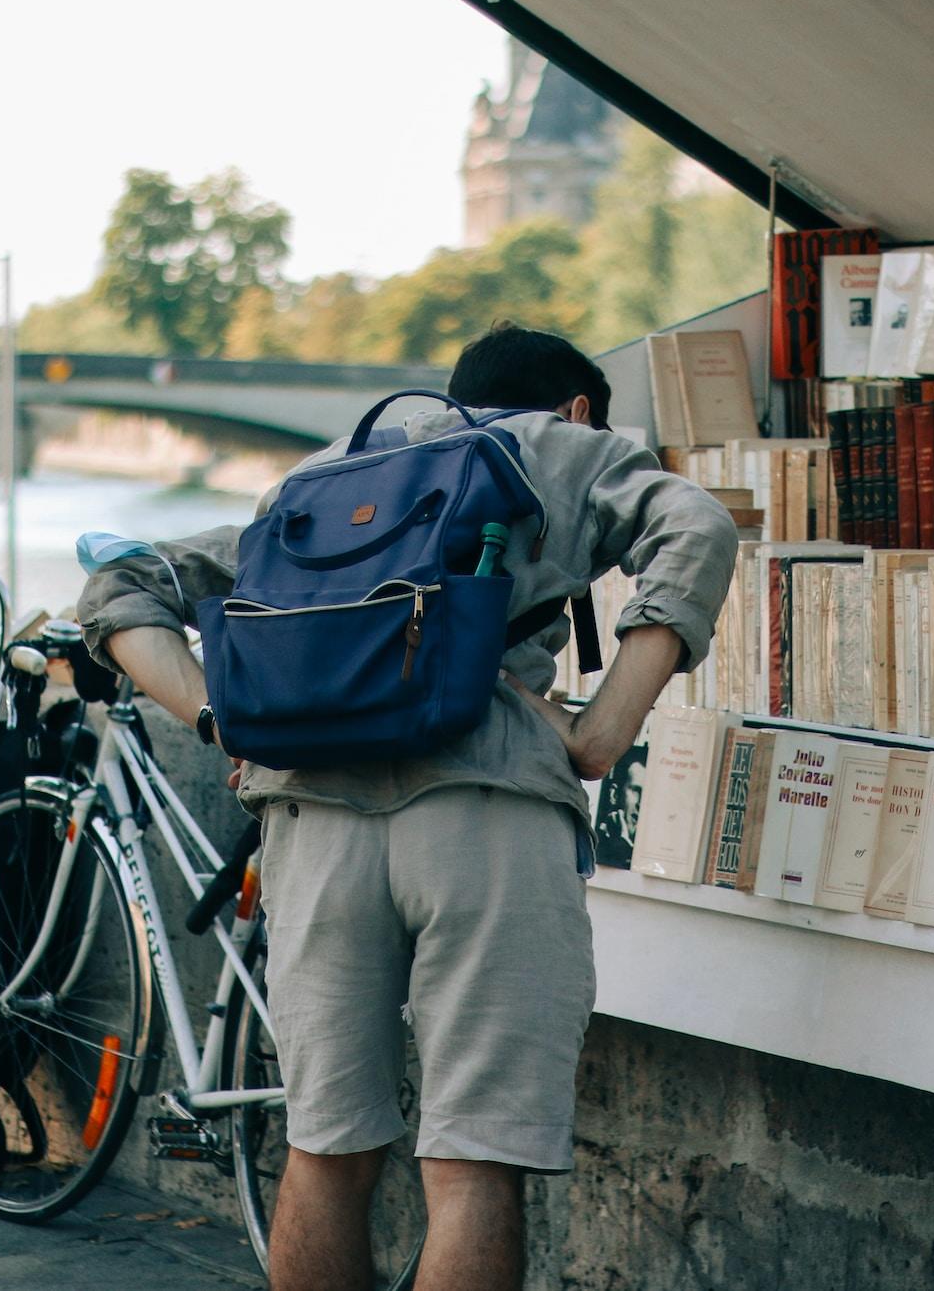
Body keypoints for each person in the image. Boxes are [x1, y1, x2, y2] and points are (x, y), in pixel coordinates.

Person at [77, 320, 738, 1291]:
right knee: (469, 1163)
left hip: (313, 833)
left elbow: (123, 582)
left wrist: (226, 717)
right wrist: (601, 731)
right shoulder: (564, 445)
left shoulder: (319, 476)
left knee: (325, 1150)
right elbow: (699, 527)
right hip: (486, 816)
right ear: (581, 406)